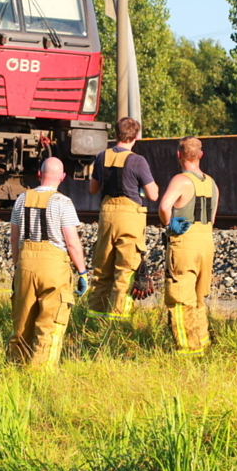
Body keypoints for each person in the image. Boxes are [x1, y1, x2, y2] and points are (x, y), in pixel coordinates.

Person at [7, 157, 89, 367]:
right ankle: (41, 375)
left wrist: (17, 268)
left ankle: (14, 368)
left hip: (25, 265)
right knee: (49, 326)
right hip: (54, 269)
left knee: (22, 325)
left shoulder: (21, 199)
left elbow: (14, 238)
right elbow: (72, 244)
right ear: (62, 177)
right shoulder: (63, 202)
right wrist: (82, 272)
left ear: (39, 174)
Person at [87, 117, 159, 320]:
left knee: (101, 271)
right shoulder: (138, 160)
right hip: (129, 218)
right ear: (135, 136)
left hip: (107, 216)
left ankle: (94, 318)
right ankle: (117, 320)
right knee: (125, 272)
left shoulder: (102, 157)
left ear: (117, 134)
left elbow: (93, 189)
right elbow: (153, 195)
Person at [159, 137, 219, 355]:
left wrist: (169, 225)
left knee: (181, 298)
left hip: (185, 243)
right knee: (198, 299)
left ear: (179, 155)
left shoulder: (180, 180)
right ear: (200, 155)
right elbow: (212, 217)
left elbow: (165, 206)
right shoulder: (211, 183)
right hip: (206, 242)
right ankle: (202, 345)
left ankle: (187, 351)